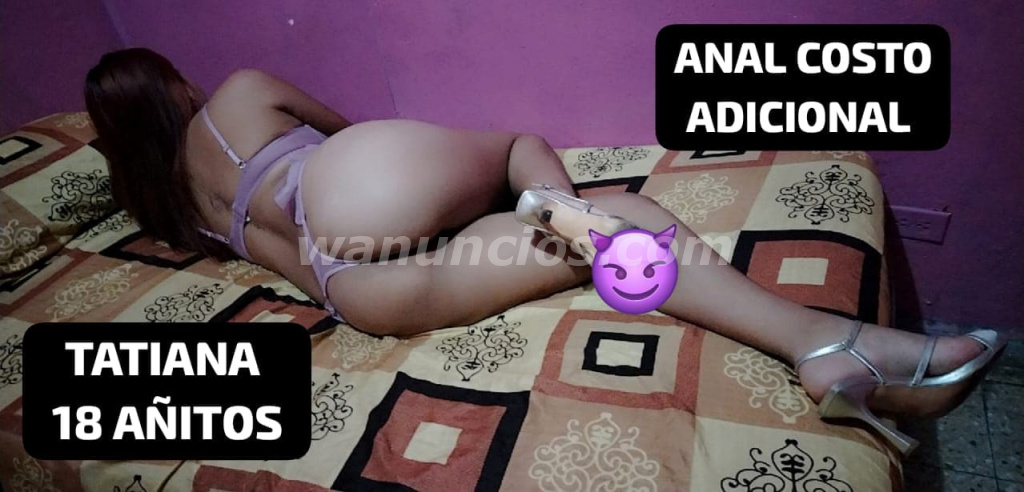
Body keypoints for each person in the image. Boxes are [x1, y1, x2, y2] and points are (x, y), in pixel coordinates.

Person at [84, 48, 1003, 455]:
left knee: (607, 230)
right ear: (172, 84)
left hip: (353, 286)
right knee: (548, 169)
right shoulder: (239, 91)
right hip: (352, 188)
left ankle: (828, 350)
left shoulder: (175, 206)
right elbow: (347, 131)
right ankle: (570, 208)